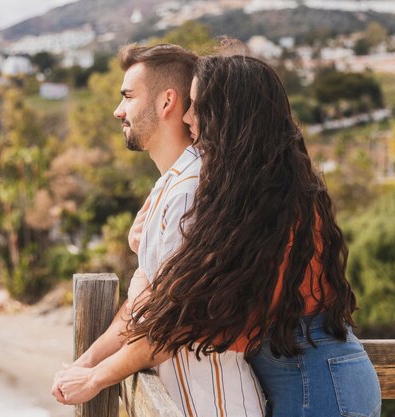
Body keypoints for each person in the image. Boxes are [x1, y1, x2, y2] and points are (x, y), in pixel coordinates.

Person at [133, 53, 382, 417]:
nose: (187, 118)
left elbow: (219, 323)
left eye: (197, 107)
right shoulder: (263, 194)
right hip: (318, 384)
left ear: (231, 117)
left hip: (322, 390)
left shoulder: (277, 207)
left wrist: (97, 373)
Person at [52, 44, 265, 417]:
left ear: (167, 102)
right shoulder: (168, 186)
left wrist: (95, 378)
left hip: (212, 406)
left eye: (128, 96)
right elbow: (141, 305)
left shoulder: (190, 191)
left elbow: (172, 324)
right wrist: (84, 363)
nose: (119, 110)